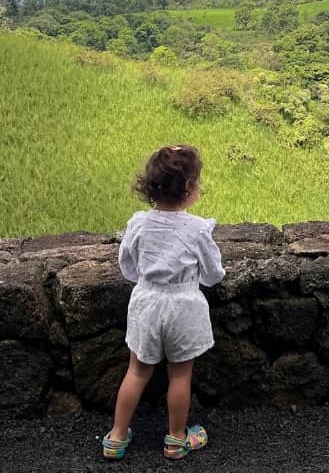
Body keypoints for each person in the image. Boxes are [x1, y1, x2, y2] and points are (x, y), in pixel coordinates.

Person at [101, 144, 225, 462]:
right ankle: (176, 439)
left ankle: (116, 437)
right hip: (184, 307)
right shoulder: (197, 229)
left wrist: (148, 281)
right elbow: (213, 274)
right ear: (188, 187)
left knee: (137, 371)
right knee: (180, 375)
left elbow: (127, 265)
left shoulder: (139, 224)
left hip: (147, 303)